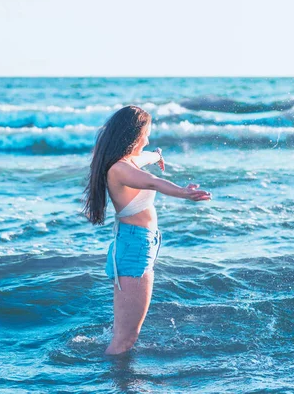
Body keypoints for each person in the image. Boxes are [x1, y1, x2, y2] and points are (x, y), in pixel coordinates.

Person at [83, 105, 211, 355]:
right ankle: (117, 383)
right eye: (146, 134)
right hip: (134, 245)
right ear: (133, 135)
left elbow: (145, 158)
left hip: (138, 242)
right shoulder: (120, 169)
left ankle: (119, 379)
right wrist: (184, 192)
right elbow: (153, 181)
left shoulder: (125, 161)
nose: (148, 139)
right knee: (125, 339)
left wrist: (157, 155)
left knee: (125, 334)